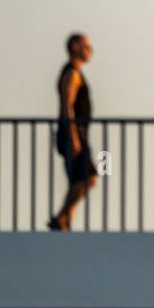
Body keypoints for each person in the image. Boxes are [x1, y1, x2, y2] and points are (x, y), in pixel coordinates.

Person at [48, 33, 98, 231]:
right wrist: (74, 137)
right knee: (89, 178)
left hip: (75, 133)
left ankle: (65, 224)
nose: (90, 51)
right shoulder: (72, 74)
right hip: (73, 133)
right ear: (75, 47)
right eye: (87, 46)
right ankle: (61, 217)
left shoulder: (73, 72)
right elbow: (67, 105)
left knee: (77, 182)